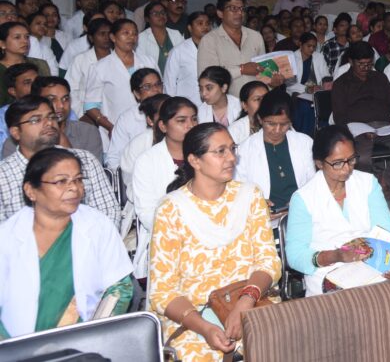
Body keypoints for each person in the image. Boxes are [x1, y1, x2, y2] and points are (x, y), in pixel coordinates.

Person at [148, 123, 281, 362]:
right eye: (220, 151)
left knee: (287, 342)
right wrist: (205, 328)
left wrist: (245, 302)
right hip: (195, 316)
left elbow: (268, 261)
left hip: (253, 301)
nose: (231, 158)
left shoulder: (249, 195)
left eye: (232, 149)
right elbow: (162, 292)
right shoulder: (171, 209)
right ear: (194, 161)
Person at [0, 147, 132, 339]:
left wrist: (95, 335)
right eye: (61, 181)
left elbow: (120, 288)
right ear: (31, 190)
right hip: (18, 345)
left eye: (78, 180)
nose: (74, 188)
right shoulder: (7, 237)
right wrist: (12, 347)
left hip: (85, 343)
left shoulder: (97, 225)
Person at [285, 125, 390, 297]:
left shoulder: (367, 183)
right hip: (327, 272)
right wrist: (336, 256)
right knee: (352, 304)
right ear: (319, 163)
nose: (347, 168)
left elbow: (386, 232)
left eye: (351, 159)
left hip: (369, 265)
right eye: (338, 163)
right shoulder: (304, 198)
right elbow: (295, 255)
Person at [0, 96, 119, 224]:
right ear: (16, 132)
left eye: (51, 117)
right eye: (36, 120)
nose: (49, 123)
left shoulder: (85, 160)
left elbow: (109, 212)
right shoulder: (3, 175)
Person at [131, 97, 197, 278]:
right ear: (163, 126)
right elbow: (146, 213)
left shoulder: (205, 153)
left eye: (194, 119)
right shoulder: (147, 161)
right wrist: (185, 234)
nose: (190, 125)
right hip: (167, 240)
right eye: (181, 121)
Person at [235, 91, 316, 219]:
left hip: (303, 213)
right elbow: (239, 189)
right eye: (271, 124)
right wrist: (257, 204)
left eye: (284, 124)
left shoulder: (304, 143)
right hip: (262, 218)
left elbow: (315, 183)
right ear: (260, 119)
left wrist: (301, 202)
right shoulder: (244, 150)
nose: (277, 130)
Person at [330, 41, 390, 180]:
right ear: (351, 62)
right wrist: (360, 131)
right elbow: (339, 117)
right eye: (361, 64)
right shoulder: (341, 84)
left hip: (384, 127)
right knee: (361, 159)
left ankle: (385, 182)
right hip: (358, 131)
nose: (365, 68)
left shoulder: (380, 78)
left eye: (369, 64)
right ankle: (369, 184)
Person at [84, 19, 159, 142]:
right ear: (113, 37)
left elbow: (160, 93)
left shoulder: (148, 61)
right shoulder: (100, 67)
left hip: (149, 127)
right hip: (114, 128)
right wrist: (110, 127)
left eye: (134, 33)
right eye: (126, 33)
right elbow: (90, 105)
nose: (131, 37)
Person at [198, 0, 277, 98]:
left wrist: (272, 83)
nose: (239, 13)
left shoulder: (256, 36)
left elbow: (263, 72)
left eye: (242, 9)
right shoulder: (209, 40)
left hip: (256, 102)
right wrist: (241, 70)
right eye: (233, 8)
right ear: (220, 13)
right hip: (227, 104)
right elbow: (207, 79)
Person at [23, 77, 104, 162]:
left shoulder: (87, 132)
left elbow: (92, 168)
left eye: (65, 99)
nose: (61, 105)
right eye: (52, 99)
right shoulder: (24, 135)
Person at [105, 67, 164, 170]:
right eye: (147, 87)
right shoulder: (126, 119)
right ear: (137, 94)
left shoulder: (174, 110)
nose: (155, 90)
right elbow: (113, 159)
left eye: (158, 84)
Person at [164, 11, 212, 105]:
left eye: (207, 23)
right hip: (186, 102)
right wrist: (172, 105)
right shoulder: (178, 51)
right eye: (200, 23)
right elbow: (169, 81)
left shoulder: (215, 48)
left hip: (211, 102)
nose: (205, 27)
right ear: (190, 28)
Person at [0, 21, 50, 107]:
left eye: (27, 37)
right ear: (2, 44)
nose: (25, 41)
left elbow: (48, 92)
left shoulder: (40, 64)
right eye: (17, 37)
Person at [137, 1, 184, 73]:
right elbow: (141, 63)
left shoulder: (176, 34)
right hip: (151, 77)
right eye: (155, 13)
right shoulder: (141, 38)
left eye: (163, 12)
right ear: (147, 19)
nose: (160, 15)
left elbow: (184, 57)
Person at [227, 81, 269, 145]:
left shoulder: (279, 122)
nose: (263, 103)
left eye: (266, 98)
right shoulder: (234, 131)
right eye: (257, 99)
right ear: (244, 105)